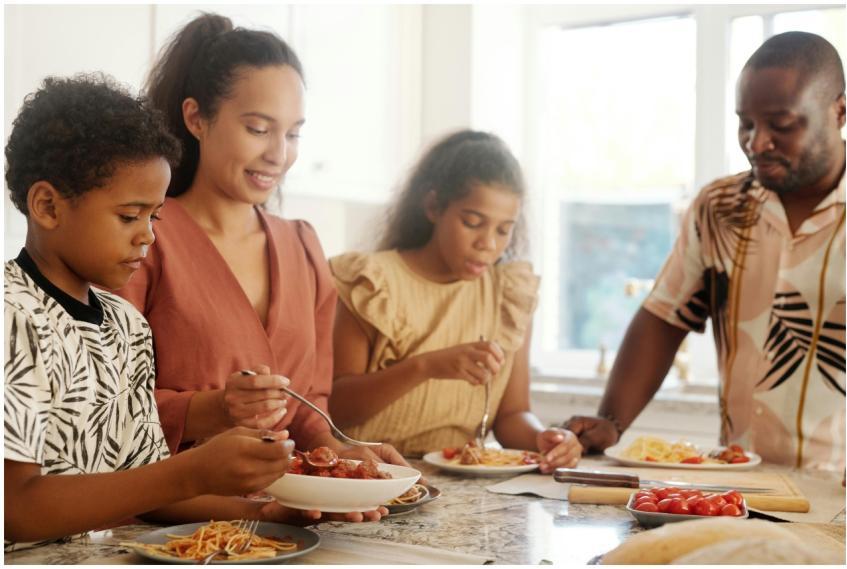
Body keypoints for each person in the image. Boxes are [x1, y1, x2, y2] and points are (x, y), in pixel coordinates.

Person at [3, 74, 375, 550]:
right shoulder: (12, 315)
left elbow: (144, 488)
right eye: (128, 216)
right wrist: (189, 471)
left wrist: (272, 512)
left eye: (154, 216)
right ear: (48, 206)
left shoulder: (127, 326)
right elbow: (14, 507)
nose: (148, 236)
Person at [115, 13, 404, 470]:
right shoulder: (144, 238)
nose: (279, 154)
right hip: (175, 520)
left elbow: (308, 404)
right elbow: (107, 405)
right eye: (258, 129)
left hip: (283, 514)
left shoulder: (303, 247)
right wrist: (209, 410)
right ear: (196, 118)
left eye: (293, 133)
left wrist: (343, 451)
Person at [565, 31, 845, 472]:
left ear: (839, 111)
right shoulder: (718, 207)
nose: (757, 142)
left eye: (781, 124)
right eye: (746, 124)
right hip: (739, 483)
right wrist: (611, 421)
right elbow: (663, 317)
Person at [328, 130, 583, 473]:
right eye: (473, 222)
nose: (488, 244)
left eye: (503, 230)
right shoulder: (372, 282)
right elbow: (336, 408)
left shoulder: (509, 293)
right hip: (370, 475)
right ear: (433, 207)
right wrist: (425, 367)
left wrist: (544, 438)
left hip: (460, 481)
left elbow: (511, 415)